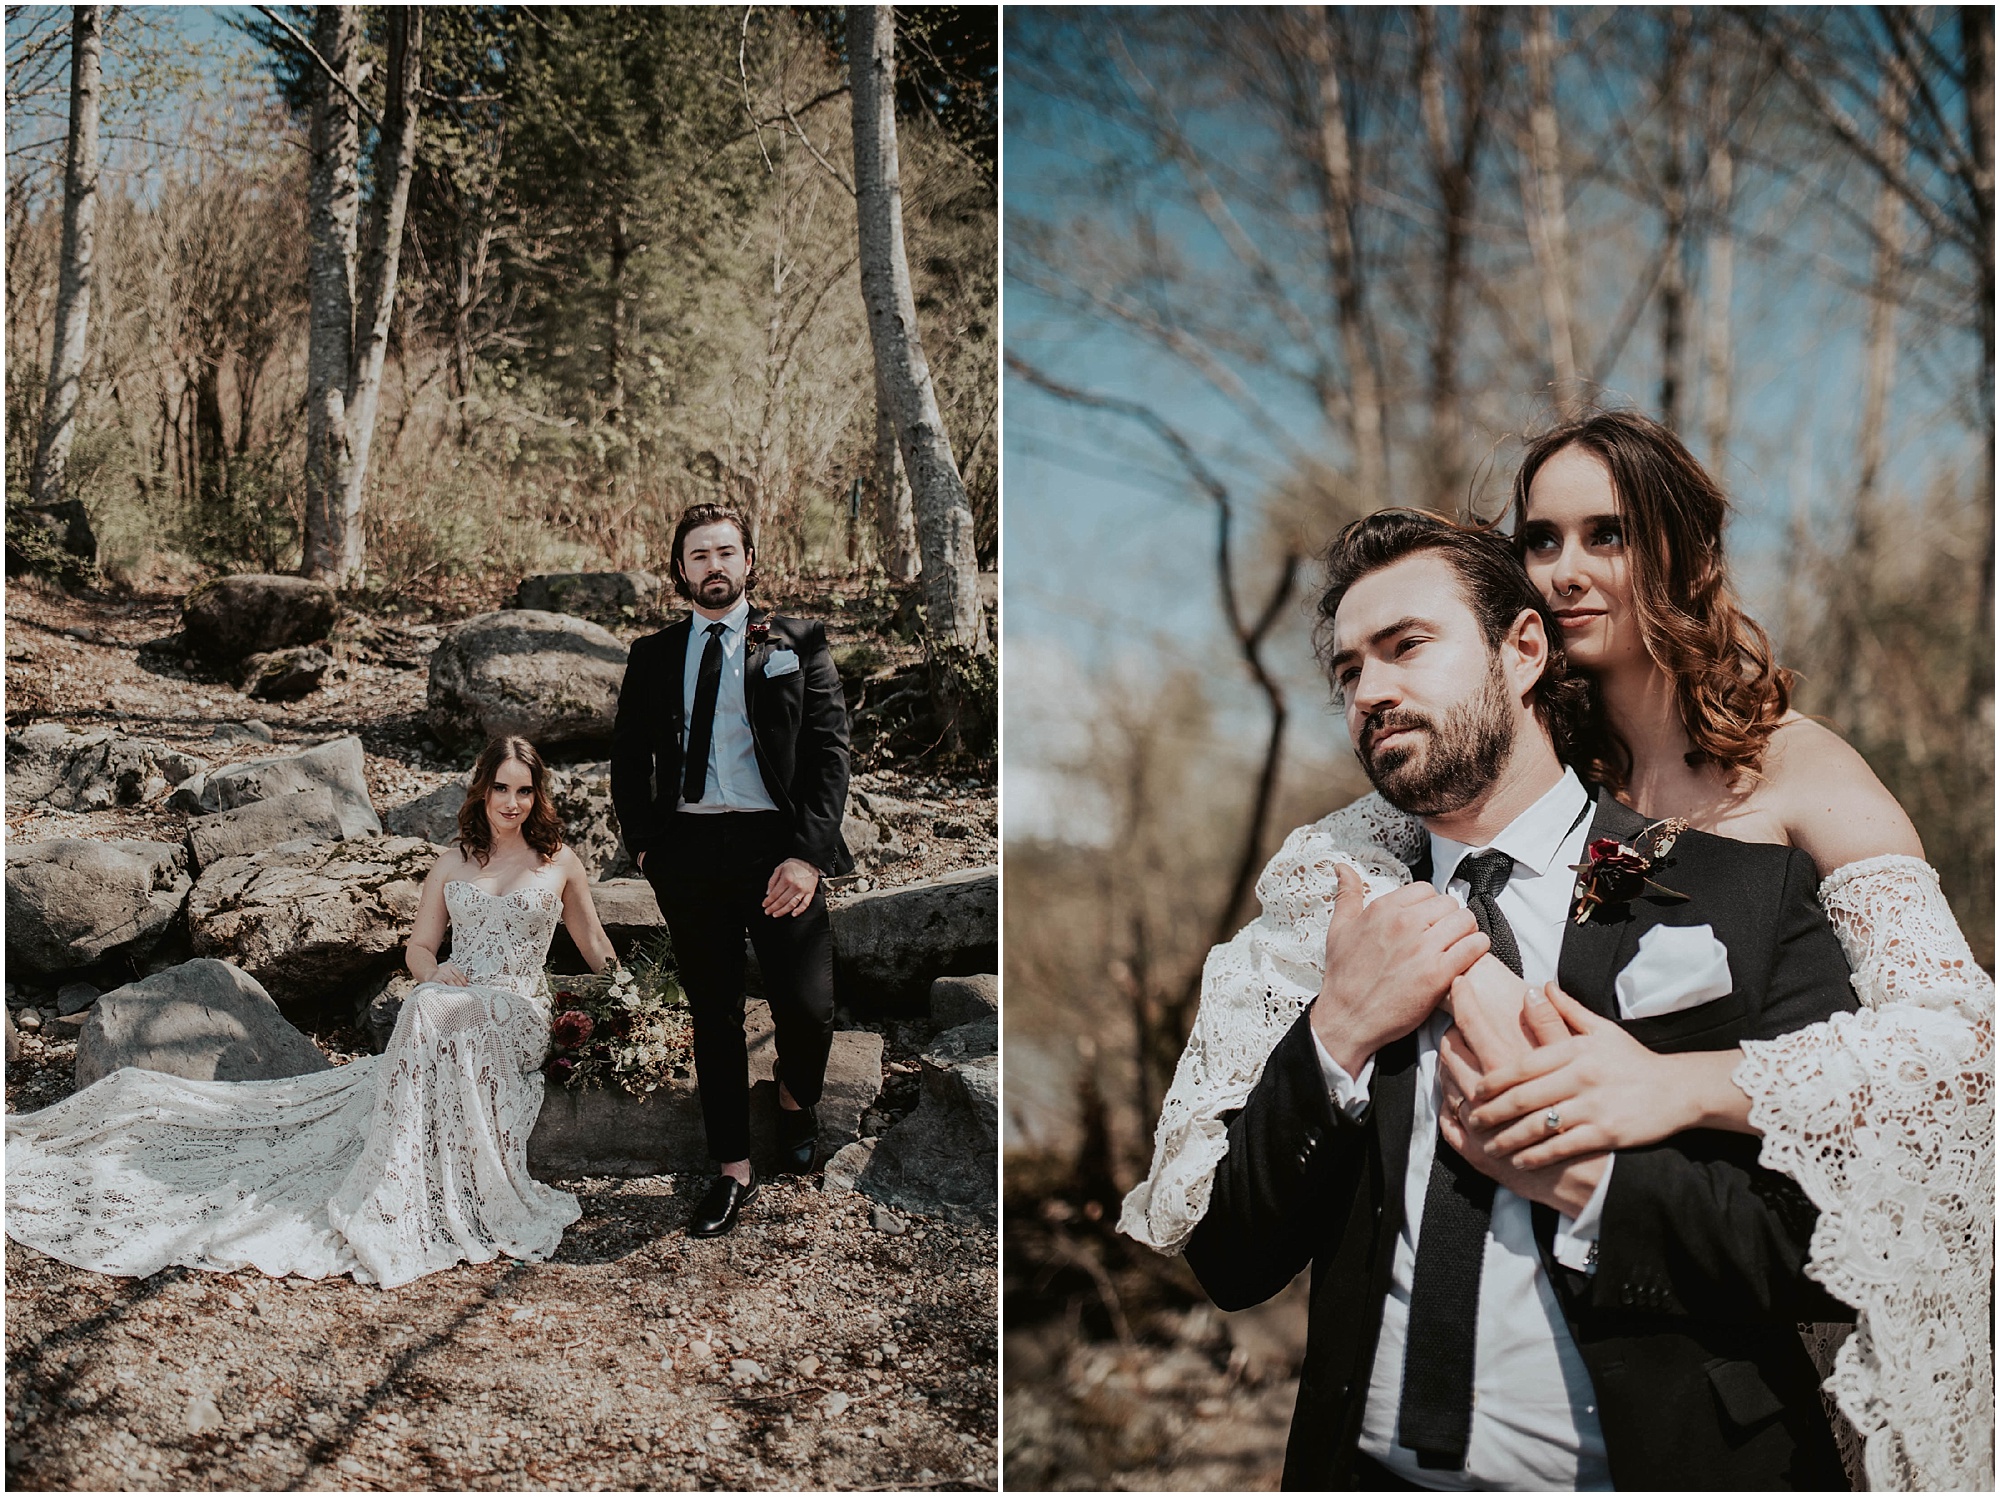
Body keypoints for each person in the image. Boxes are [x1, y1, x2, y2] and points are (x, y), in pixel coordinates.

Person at [1124, 412, 1993, 1491]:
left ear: (1682, 553)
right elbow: (1230, 1248)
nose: (1566, 573)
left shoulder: (1780, 804)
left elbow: (1946, 1059)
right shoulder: (1372, 877)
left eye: (1607, 536)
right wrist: (1339, 1026)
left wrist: (1647, 1113)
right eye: (1539, 541)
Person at [6, 734, 613, 1289]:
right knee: (431, 1004)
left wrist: (634, 1000)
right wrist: (436, 973)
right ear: (482, 791)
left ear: (539, 795)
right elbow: (419, 948)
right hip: (454, 999)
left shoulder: (558, 861)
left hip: (514, 1009)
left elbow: (594, 945)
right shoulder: (452, 864)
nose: (511, 803)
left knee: (431, 1014)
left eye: (524, 791)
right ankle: (396, 1179)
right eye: (501, 789)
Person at [609, 502, 852, 1239]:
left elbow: (831, 753)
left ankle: (792, 1093)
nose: (714, 565)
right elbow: (627, 759)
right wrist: (648, 848)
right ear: (679, 570)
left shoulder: (795, 643)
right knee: (712, 1016)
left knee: (806, 1009)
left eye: (726, 551)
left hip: (778, 851)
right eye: (699, 555)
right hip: (689, 855)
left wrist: (808, 855)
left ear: (749, 561)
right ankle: (731, 1169)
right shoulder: (651, 655)